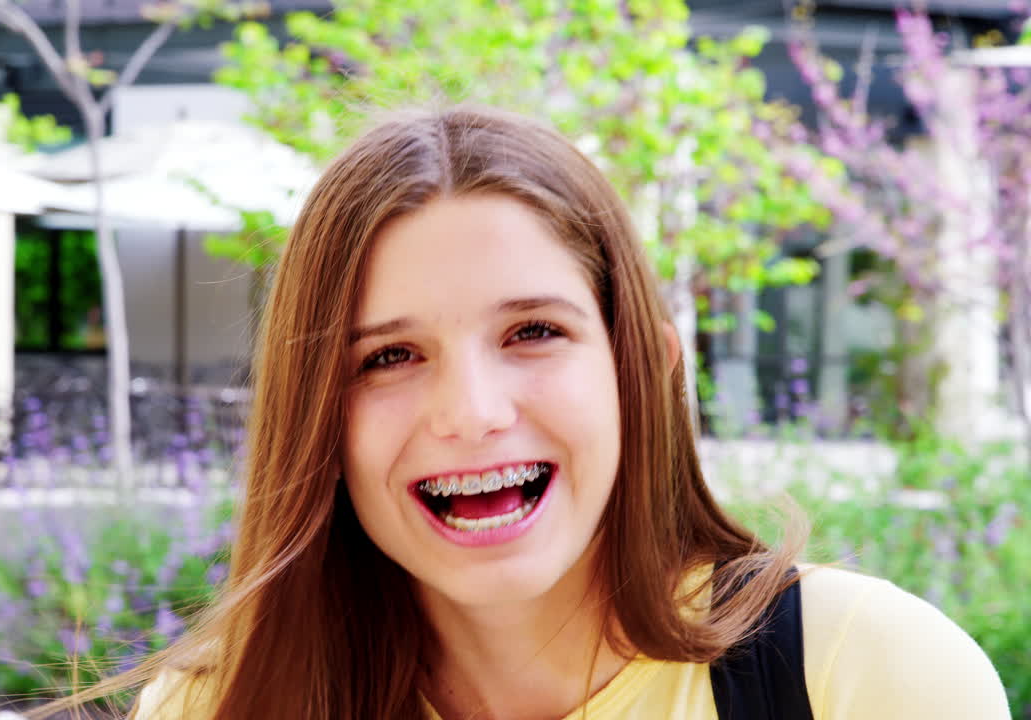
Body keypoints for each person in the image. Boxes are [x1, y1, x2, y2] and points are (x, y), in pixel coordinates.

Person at [52, 106, 1009, 720]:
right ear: (317, 422)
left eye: (533, 333)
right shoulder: (218, 706)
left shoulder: (867, 675)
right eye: (388, 357)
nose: (470, 413)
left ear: (644, 368)